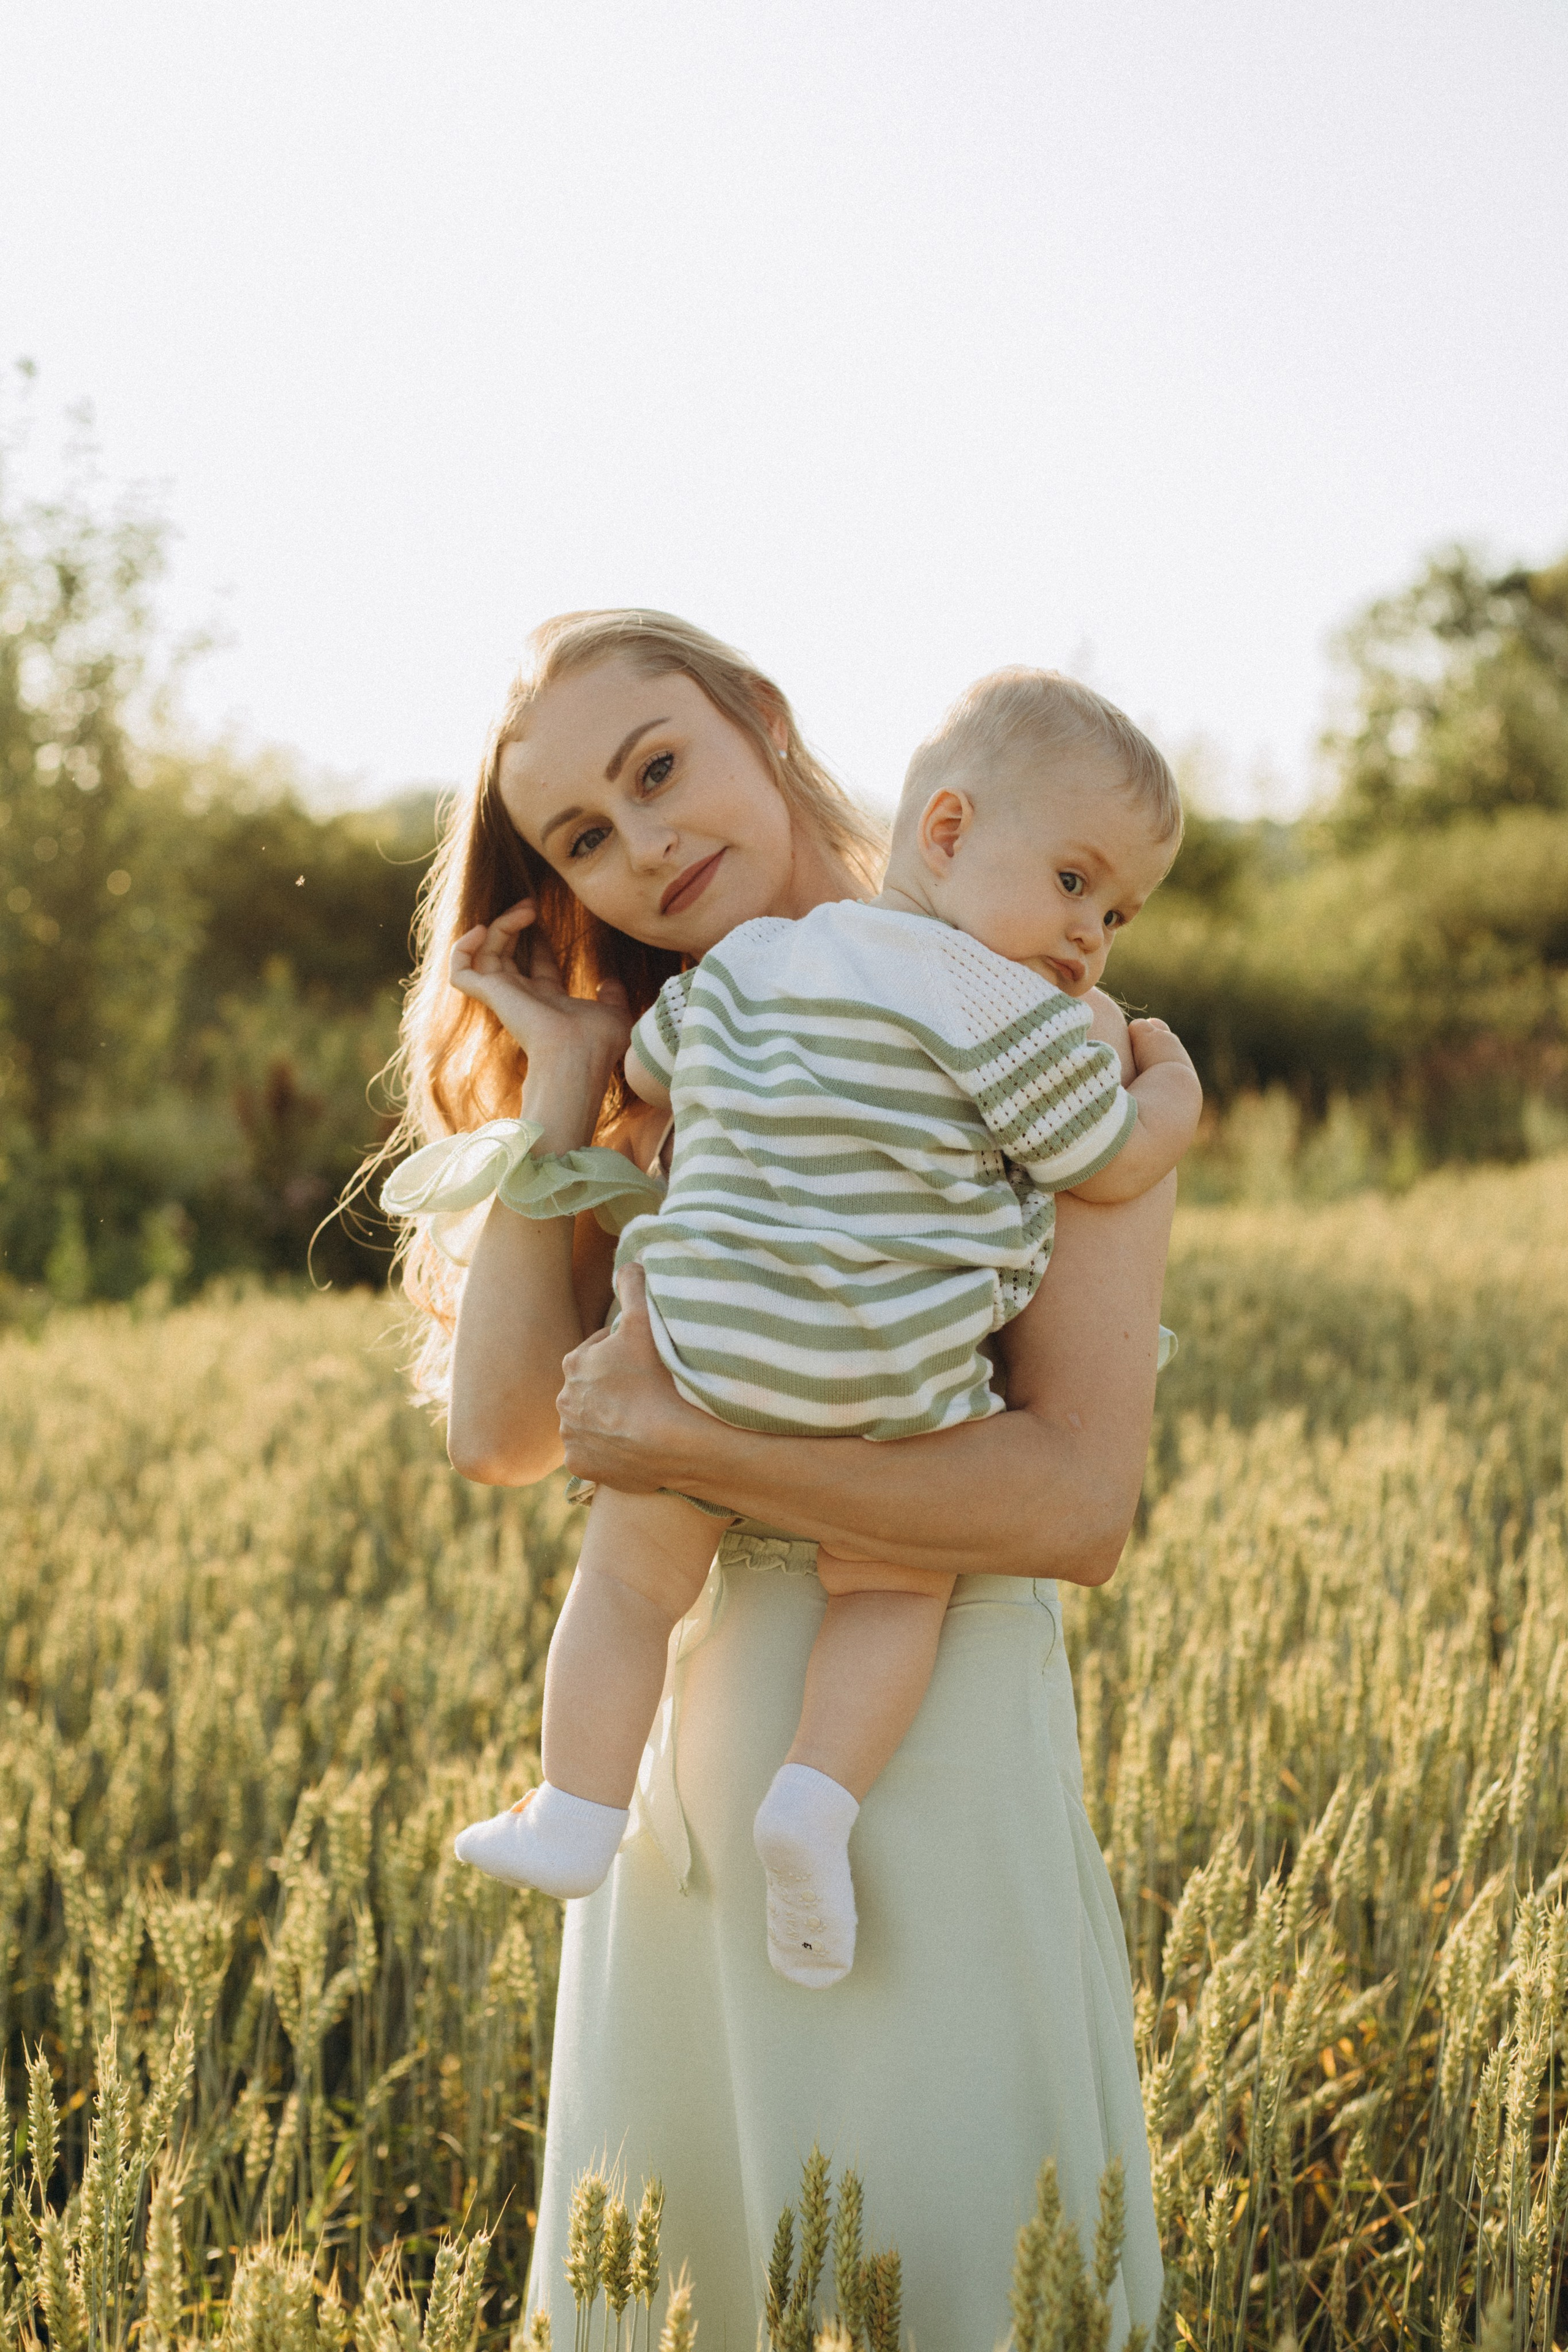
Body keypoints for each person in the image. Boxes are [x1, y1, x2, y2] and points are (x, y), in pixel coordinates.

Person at [377, 610, 1176, 2351]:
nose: (644, 842)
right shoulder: (677, 1063)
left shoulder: (1040, 1030)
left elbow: (1073, 1504)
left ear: (761, 715)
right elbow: (504, 1433)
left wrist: (694, 1450)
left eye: (660, 767)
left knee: (968, 2257)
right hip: (680, 1794)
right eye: (585, 836)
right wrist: (569, 1082)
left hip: (929, 1762)